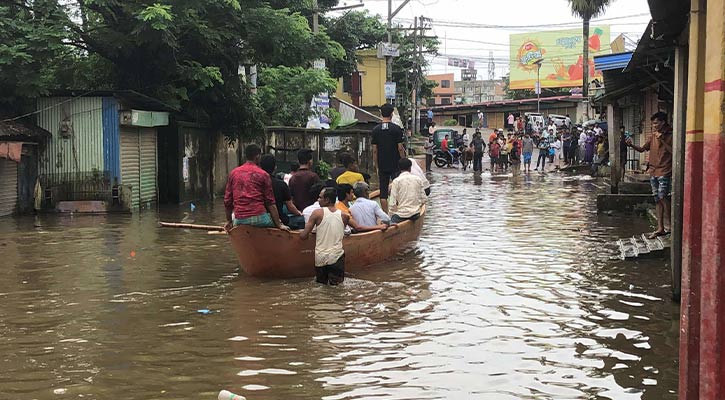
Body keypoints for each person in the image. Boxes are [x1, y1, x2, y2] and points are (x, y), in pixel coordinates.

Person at [627, 111, 673, 238]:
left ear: (663, 122)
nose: (654, 126)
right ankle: (660, 227)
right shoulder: (652, 136)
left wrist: (662, 140)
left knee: (663, 197)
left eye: (656, 123)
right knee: (657, 199)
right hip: (653, 170)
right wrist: (631, 145)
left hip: (665, 170)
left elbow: (674, 151)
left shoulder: (671, 134)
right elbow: (643, 149)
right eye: (653, 124)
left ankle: (670, 226)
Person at [224, 144, 289, 231]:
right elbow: (270, 203)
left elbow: (227, 201)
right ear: (258, 157)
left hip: (239, 220)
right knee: (281, 220)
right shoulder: (263, 174)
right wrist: (279, 225)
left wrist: (229, 221)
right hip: (260, 219)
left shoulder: (233, 173)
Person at [300, 187, 350, 285]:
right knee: (337, 288)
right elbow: (338, 231)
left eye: (320, 198)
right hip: (336, 256)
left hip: (320, 258)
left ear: (327, 200)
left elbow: (303, 236)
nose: (318, 200)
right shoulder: (345, 216)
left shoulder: (316, 213)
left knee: (321, 287)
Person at [372, 103, 406, 214]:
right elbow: (400, 148)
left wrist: (376, 165)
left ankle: (386, 215)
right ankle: (398, 212)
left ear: (381, 114)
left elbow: (375, 150)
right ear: (392, 114)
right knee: (398, 188)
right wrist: (403, 161)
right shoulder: (396, 129)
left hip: (382, 164)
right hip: (396, 164)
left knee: (383, 191)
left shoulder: (376, 130)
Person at [259, 155, 303, 228]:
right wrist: (299, 213)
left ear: (260, 167)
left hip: (261, 217)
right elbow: (290, 207)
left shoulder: (256, 184)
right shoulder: (281, 184)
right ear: (275, 167)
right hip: (280, 219)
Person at [389, 158, 427, 223]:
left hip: (401, 216)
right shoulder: (418, 179)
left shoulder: (396, 181)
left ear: (399, 168)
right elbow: (424, 199)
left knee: (389, 221)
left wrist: (391, 215)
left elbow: (392, 204)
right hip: (415, 214)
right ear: (410, 168)